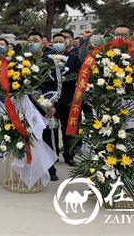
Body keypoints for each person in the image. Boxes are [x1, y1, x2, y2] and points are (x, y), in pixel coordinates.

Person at [26, 30, 59, 181]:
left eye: (36, 40)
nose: (33, 43)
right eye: (30, 40)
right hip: (27, 104)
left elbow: (57, 85)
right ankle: (30, 167)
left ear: (43, 43)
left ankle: (50, 168)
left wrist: (50, 104)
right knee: (28, 136)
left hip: (45, 105)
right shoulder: (22, 60)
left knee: (46, 136)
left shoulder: (50, 61)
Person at [45, 33, 81, 167]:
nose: (58, 44)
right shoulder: (47, 57)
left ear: (66, 43)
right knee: (52, 128)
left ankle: (69, 155)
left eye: (61, 41)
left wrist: (65, 78)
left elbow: (78, 73)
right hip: (52, 99)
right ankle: (52, 155)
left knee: (69, 129)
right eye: (56, 42)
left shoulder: (74, 58)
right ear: (52, 43)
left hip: (68, 98)